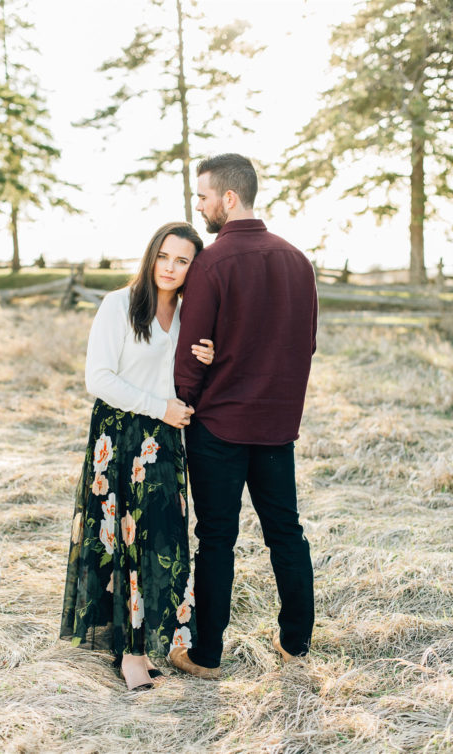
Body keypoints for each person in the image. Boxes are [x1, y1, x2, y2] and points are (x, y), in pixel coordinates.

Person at [169, 153, 317, 680]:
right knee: (286, 531)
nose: (201, 206)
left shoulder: (212, 261)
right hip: (277, 426)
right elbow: (308, 344)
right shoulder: (299, 261)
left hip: (219, 426)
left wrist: (187, 400)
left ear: (229, 198)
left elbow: (191, 351)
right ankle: (296, 642)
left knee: (216, 537)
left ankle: (207, 654)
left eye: (204, 196)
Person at [60, 222, 215, 691]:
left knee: (163, 539)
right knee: (127, 541)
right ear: (151, 256)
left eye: (182, 261)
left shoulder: (190, 315)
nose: (170, 268)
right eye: (164, 256)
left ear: (193, 268)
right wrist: (159, 407)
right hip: (122, 436)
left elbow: (182, 378)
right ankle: (129, 654)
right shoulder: (120, 305)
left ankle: (151, 642)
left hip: (166, 439)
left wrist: (208, 359)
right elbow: (99, 378)